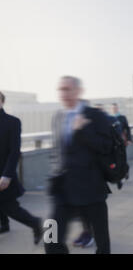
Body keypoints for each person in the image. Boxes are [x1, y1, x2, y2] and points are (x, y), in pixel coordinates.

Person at [44, 76, 113, 254]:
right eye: (61, 89)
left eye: (67, 89)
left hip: (91, 189)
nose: (63, 94)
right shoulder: (58, 116)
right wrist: (54, 172)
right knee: (50, 239)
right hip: (63, 190)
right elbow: (57, 150)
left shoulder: (95, 116)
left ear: (78, 91)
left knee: (102, 243)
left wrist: (84, 130)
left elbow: (106, 146)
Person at [0, 91, 42, 244]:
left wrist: (7, 175)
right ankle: (4, 225)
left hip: (3, 173)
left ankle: (36, 223)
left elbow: (14, 151)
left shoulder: (12, 122)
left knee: (10, 207)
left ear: (2, 101)